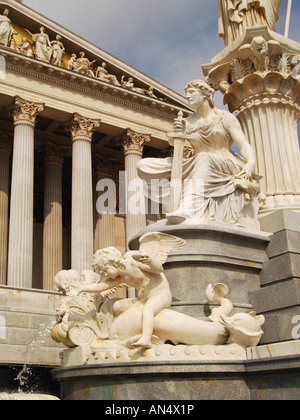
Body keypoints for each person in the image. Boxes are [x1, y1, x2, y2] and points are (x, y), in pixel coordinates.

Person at [137, 80, 262, 228]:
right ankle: (173, 202)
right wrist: (178, 132)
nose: (188, 97)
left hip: (225, 162)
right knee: (143, 165)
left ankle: (188, 209)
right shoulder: (187, 122)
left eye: (191, 93)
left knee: (203, 157)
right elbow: (174, 142)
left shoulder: (225, 118)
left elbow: (244, 144)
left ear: (204, 95)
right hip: (197, 162)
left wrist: (251, 162)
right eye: (186, 94)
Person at [68, 246, 173, 349]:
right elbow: (101, 286)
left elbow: (159, 269)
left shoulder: (133, 262)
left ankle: (146, 339)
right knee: (118, 306)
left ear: (113, 262)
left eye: (105, 270)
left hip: (160, 294)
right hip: (144, 299)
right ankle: (133, 331)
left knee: (148, 309)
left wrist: (150, 261)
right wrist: (81, 288)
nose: (105, 274)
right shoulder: (121, 277)